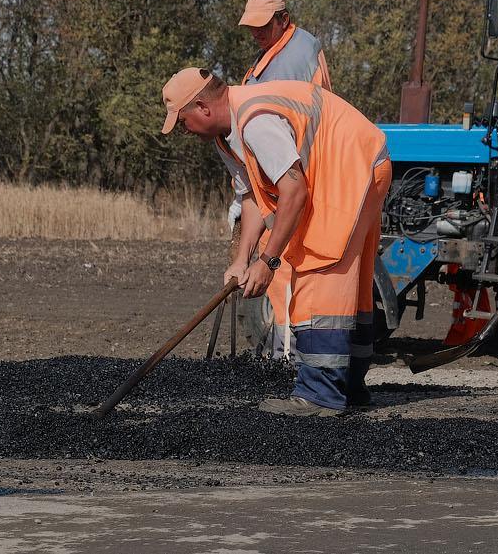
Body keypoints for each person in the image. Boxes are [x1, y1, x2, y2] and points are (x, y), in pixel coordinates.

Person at [160, 67, 389, 416]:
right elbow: (253, 195)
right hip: (349, 166)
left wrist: (267, 262)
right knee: (347, 282)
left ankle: (320, 395)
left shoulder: (255, 121)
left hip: (352, 166)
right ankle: (350, 388)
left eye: (183, 121)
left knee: (320, 266)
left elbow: (293, 192)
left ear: (203, 107)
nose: (183, 130)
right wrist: (242, 260)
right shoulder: (228, 135)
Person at [233, 0, 334, 359]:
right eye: (251, 26)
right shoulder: (285, 51)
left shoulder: (288, 63)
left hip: (291, 182)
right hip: (287, 179)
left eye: (262, 25)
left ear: (283, 19)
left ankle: (287, 360)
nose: (255, 33)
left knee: (283, 275)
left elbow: (278, 133)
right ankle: (288, 354)